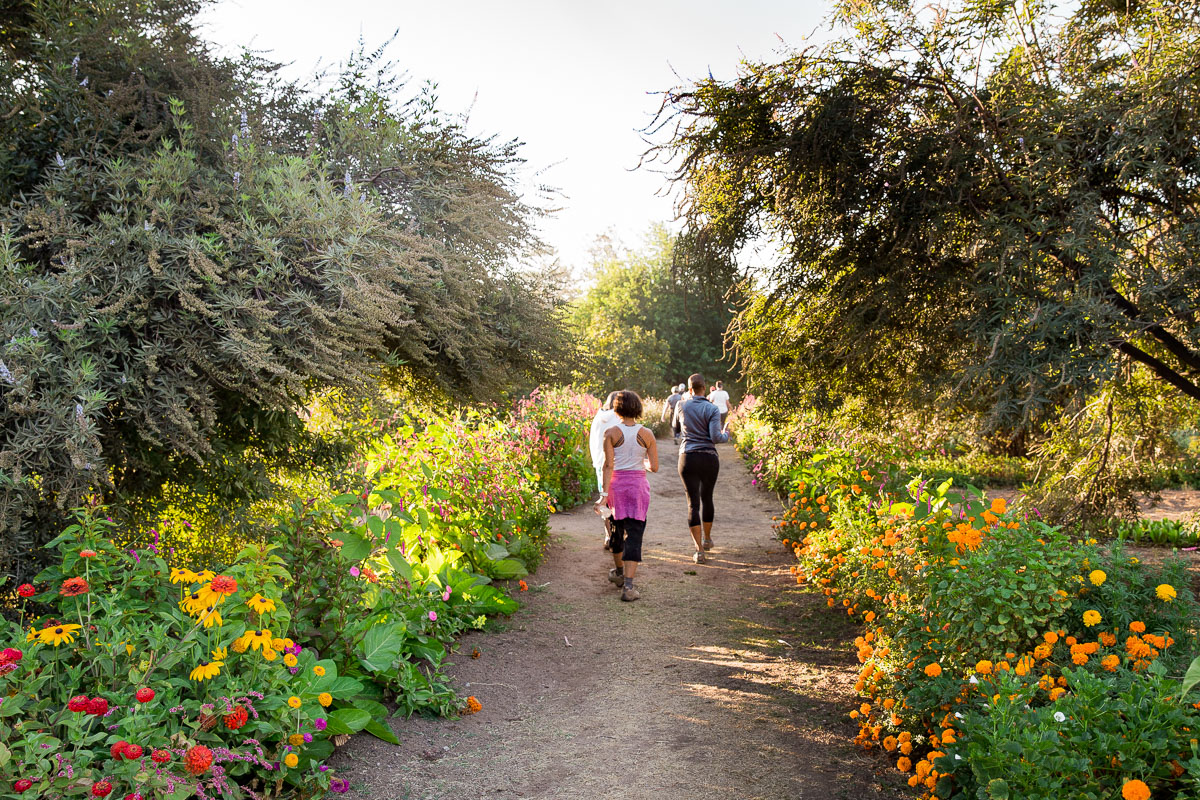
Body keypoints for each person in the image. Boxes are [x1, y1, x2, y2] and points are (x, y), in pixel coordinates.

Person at [598, 390, 659, 601]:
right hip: (637, 487)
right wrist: (639, 462)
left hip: (617, 487)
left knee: (616, 531)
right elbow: (655, 467)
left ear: (617, 409)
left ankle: (620, 574)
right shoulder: (648, 434)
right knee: (635, 535)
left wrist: (604, 495)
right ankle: (629, 587)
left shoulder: (611, 433)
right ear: (638, 409)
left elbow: (608, 465)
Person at [674, 373, 728, 564]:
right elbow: (715, 437)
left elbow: (676, 428)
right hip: (708, 458)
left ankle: (698, 551)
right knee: (707, 498)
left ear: (689, 389)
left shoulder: (681, 405)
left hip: (687, 457)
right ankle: (707, 539)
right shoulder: (712, 409)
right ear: (704, 388)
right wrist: (726, 435)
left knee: (692, 503)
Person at [589, 392, 620, 548]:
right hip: (616, 464)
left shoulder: (597, 417)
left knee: (604, 500)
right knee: (617, 501)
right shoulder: (618, 417)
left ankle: (608, 535)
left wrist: (596, 461)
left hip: (600, 463)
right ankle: (619, 534)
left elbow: (592, 441)